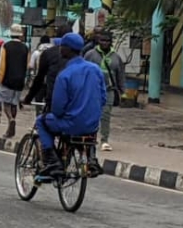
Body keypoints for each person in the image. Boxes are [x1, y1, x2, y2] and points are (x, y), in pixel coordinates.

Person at [35, 33, 106, 180]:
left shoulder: (65, 74)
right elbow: (103, 98)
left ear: (67, 49)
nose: (60, 49)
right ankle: (91, 158)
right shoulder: (96, 70)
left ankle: (52, 160)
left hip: (70, 124)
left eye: (62, 47)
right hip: (92, 125)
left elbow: (57, 109)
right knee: (89, 126)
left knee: (41, 121)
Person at [84, 32, 125, 152]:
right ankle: (90, 137)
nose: (105, 43)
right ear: (98, 41)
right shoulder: (90, 54)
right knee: (91, 114)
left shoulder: (116, 57)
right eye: (102, 40)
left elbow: (120, 74)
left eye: (107, 41)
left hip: (109, 90)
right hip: (93, 90)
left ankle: (104, 140)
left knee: (106, 115)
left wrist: (122, 89)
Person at [24, 24, 73, 111]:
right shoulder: (80, 55)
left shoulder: (48, 53)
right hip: (73, 103)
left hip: (53, 100)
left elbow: (39, 78)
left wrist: (28, 98)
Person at [0, 24, 29, 138]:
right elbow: (27, 65)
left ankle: (11, 120)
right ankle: (11, 129)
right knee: (14, 104)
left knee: (6, 104)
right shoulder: (25, 48)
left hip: (7, 80)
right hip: (19, 81)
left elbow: (2, 64)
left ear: (11, 34)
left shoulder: (6, 46)